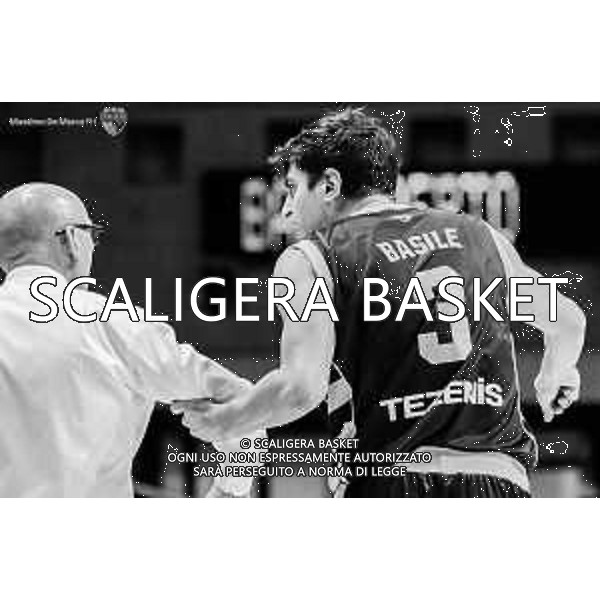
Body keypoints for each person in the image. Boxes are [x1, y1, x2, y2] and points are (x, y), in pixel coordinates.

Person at [177, 108, 586, 498]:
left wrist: (227, 420)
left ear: (330, 185)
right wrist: (555, 372)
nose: (285, 210)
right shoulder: (482, 237)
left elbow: (300, 388)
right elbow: (568, 321)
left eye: (294, 189)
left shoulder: (312, 257)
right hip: (499, 481)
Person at [0, 182, 249, 497]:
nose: (93, 248)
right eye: (92, 235)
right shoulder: (116, 324)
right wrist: (229, 492)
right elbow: (244, 404)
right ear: (71, 240)